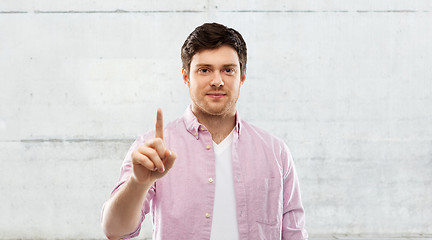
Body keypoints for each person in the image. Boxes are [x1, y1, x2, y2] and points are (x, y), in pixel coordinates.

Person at [101, 22, 308, 240]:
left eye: (228, 70)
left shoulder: (275, 151)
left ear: (242, 77)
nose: (217, 81)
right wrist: (138, 183)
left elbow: (294, 234)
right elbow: (114, 230)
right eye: (204, 70)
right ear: (186, 77)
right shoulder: (151, 148)